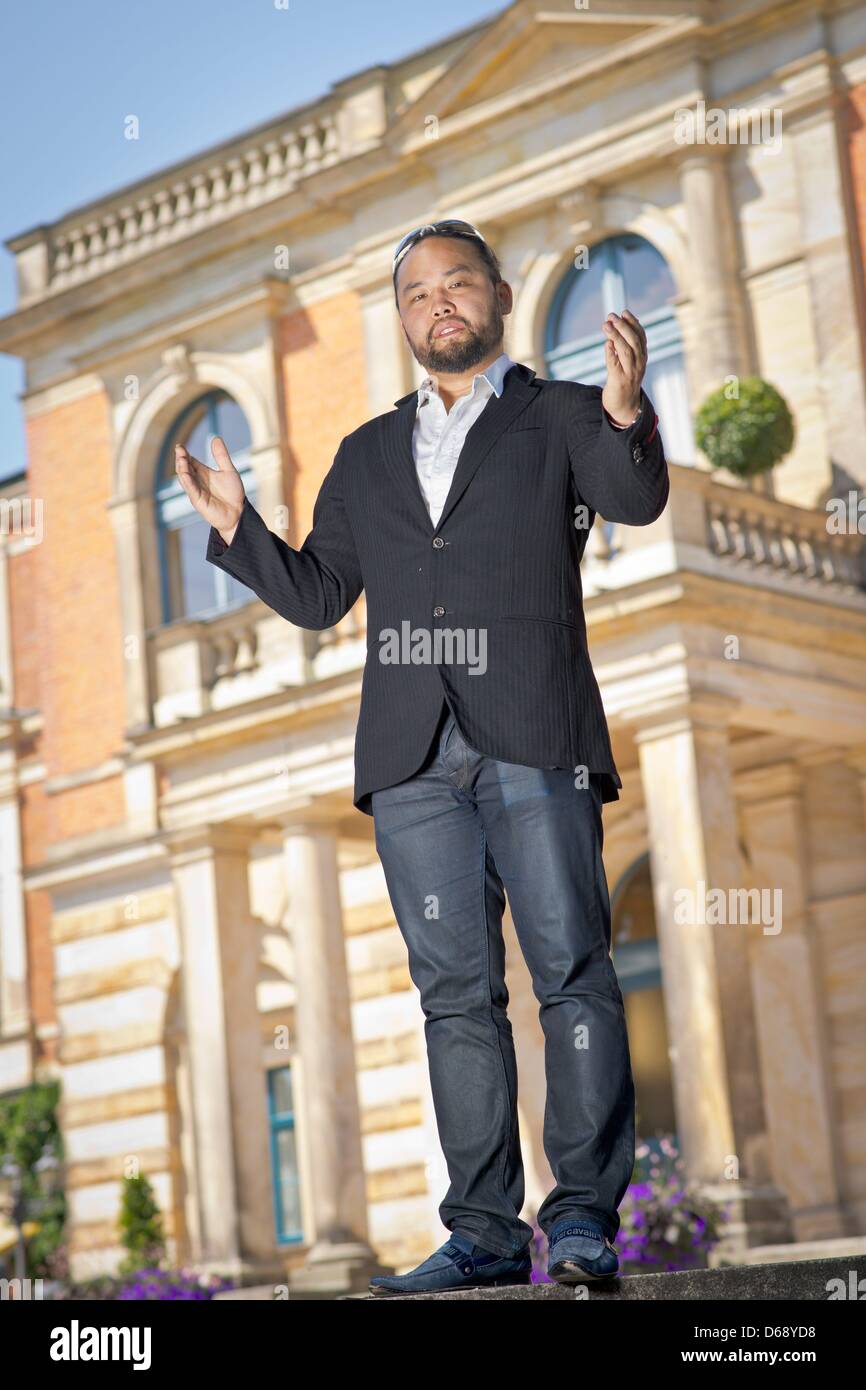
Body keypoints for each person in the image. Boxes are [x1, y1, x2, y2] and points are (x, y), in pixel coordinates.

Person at [177, 219, 668, 1295]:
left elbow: (633, 499)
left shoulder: (566, 416)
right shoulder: (361, 454)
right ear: (401, 320)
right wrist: (235, 528)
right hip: (410, 759)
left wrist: (628, 413)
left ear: (494, 295)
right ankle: (484, 1230)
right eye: (415, 295)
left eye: (456, 285)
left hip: (535, 735)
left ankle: (581, 1215)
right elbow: (318, 596)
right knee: (453, 995)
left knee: (571, 970)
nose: (437, 305)